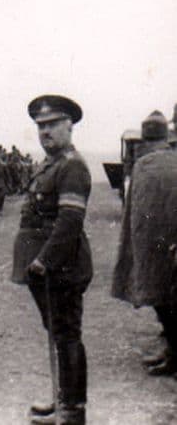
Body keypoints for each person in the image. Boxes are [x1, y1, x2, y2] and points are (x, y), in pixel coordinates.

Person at [12, 95, 91, 424]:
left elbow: (69, 222)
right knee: (58, 332)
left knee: (67, 334)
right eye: (40, 126)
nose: (45, 131)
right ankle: (62, 399)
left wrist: (45, 260)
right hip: (46, 267)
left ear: (69, 126)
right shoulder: (51, 164)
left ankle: (71, 410)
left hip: (62, 266)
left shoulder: (71, 166)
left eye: (52, 125)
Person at [112, 110, 177, 376]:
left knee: (161, 302)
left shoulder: (142, 165)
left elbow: (132, 212)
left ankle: (173, 355)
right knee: (171, 302)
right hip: (172, 247)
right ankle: (172, 353)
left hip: (151, 250)